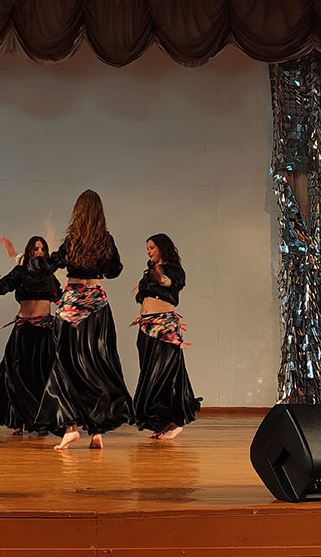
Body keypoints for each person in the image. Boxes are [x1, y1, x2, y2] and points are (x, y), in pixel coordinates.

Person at [27, 189, 133, 450]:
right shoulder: (105, 240)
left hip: (73, 302)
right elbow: (114, 271)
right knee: (97, 362)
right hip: (96, 303)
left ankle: (71, 427)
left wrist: (25, 261)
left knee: (66, 363)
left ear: (78, 212)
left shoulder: (72, 240)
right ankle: (96, 431)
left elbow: (50, 266)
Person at [0, 235, 62, 434]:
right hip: (23, 329)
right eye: (36, 249)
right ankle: (17, 419)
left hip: (44, 330)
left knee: (41, 375)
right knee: (16, 373)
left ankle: (41, 421)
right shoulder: (20, 272)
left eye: (42, 249)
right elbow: (3, 287)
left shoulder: (49, 276)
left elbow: (60, 297)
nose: (39, 252)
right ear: (29, 251)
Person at [132, 233, 200, 440]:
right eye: (147, 248)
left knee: (164, 374)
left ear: (162, 248)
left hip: (164, 327)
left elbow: (172, 283)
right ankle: (163, 423)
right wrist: (141, 288)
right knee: (148, 372)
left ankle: (177, 421)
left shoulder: (173, 269)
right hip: (146, 327)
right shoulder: (149, 273)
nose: (148, 252)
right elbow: (140, 293)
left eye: (152, 247)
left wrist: (162, 279)